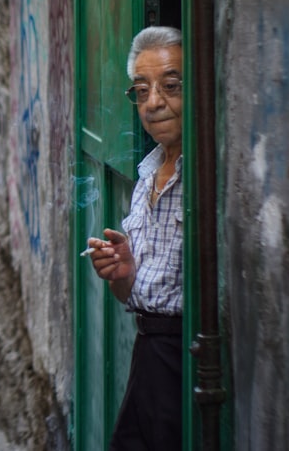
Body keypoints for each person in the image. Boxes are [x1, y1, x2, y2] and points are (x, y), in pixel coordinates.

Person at [85, 25, 184, 450]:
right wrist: (123, 273)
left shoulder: (208, 176)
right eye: (142, 91)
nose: (154, 103)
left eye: (171, 86)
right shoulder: (147, 175)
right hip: (149, 354)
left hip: (189, 358)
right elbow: (132, 294)